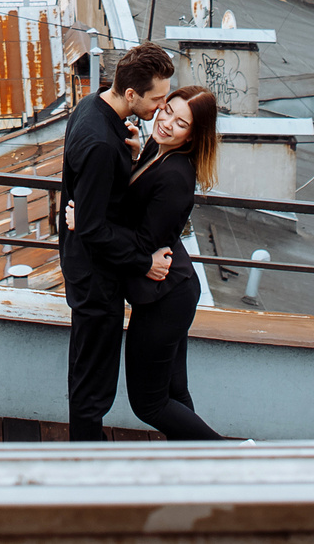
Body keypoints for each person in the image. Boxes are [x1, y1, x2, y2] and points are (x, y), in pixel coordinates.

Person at [60, 43, 173, 440]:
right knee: (94, 383)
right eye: (157, 98)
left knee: (89, 374)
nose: (161, 107)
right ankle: (86, 472)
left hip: (87, 268)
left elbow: (93, 209)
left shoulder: (92, 107)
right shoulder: (101, 145)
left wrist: (134, 155)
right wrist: (145, 262)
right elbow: (91, 228)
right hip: (95, 278)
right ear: (131, 94)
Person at [116, 85, 228, 440]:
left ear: (193, 136)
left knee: (149, 404)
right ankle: (196, 466)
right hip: (174, 290)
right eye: (167, 111)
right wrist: (133, 158)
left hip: (165, 299)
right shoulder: (157, 149)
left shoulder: (177, 176)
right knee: (175, 393)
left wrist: (87, 220)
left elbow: (144, 244)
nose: (166, 123)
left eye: (181, 123)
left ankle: (230, 459)